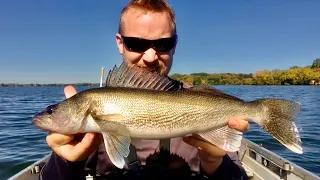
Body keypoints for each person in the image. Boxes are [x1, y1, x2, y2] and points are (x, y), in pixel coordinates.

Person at [40, 0, 250, 179]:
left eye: (164, 43)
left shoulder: (202, 101)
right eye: (136, 43)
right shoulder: (87, 122)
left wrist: (214, 162)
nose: (150, 57)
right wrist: (66, 161)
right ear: (120, 43)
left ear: (175, 45)